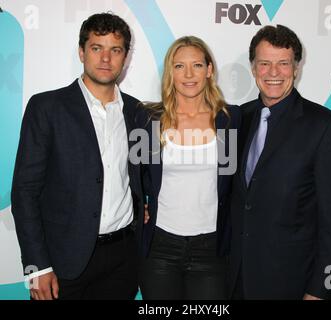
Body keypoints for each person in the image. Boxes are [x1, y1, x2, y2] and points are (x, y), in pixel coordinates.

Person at [11, 12, 144, 300]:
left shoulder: (137, 112)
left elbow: (140, 175)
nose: (106, 59)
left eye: (115, 50)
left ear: (125, 58)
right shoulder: (47, 107)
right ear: (82, 52)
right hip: (61, 262)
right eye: (97, 48)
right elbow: (24, 192)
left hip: (123, 258)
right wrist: (36, 267)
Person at [229, 25, 331, 300]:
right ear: (253, 67)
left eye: (283, 63)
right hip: (235, 280)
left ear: (296, 67)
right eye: (265, 63)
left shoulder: (325, 126)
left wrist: (321, 290)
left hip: (292, 285)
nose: (273, 73)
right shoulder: (238, 119)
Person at [135, 36, 241, 299]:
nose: (189, 74)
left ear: (209, 70)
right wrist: (139, 206)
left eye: (197, 65)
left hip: (213, 248)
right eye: (179, 66)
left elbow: (241, 178)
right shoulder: (150, 119)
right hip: (160, 246)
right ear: (171, 72)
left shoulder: (230, 119)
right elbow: (133, 173)